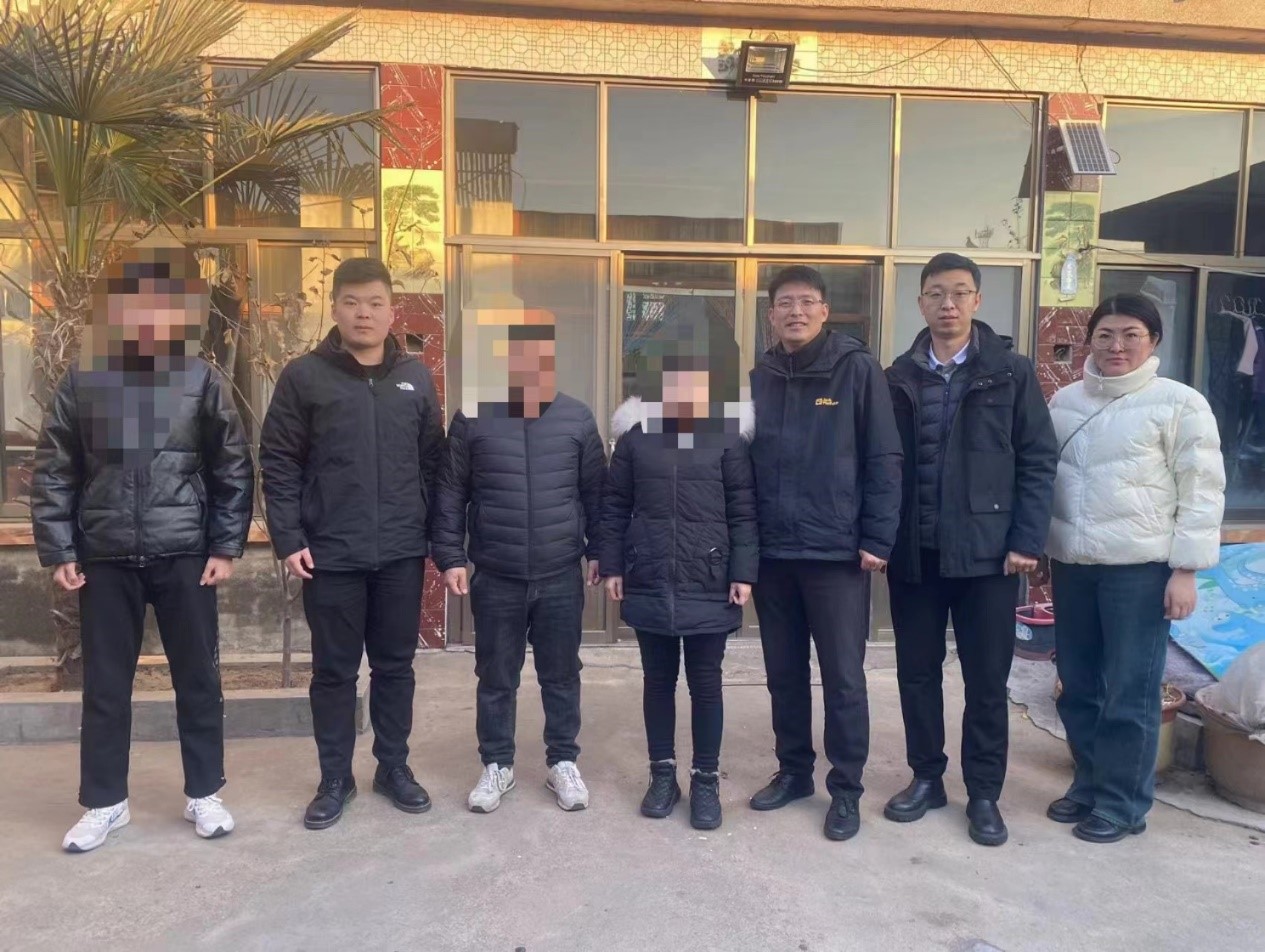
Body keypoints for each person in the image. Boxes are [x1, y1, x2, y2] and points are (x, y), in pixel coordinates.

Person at [31, 245, 253, 853]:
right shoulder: (83, 379)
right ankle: (105, 802)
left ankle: (204, 792)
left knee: (197, 680)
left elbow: (233, 467)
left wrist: (225, 546)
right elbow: (55, 469)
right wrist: (60, 548)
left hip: (185, 553)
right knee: (105, 687)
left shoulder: (200, 379)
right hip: (104, 556)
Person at [260, 257, 444, 830]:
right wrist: (288, 538)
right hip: (330, 553)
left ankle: (393, 767)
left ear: (392, 311)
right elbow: (279, 462)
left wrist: (435, 538)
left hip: (400, 553)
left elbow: (433, 464)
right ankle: (335, 778)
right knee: (334, 672)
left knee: (395, 667)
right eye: (352, 303)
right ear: (335, 308)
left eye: (375, 303)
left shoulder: (415, 378)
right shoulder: (304, 377)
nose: (364, 313)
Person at [883, 253, 1058, 847]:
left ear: (978, 301)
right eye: (936, 293)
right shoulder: (898, 376)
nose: (948, 304)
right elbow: (882, 464)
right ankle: (926, 778)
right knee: (917, 675)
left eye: (959, 292)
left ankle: (984, 793)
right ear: (920, 303)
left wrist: (1026, 539)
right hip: (916, 554)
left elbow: (1038, 459)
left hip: (989, 556)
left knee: (986, 681)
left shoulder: (1011, 372)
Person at [1046, 292, 1225, 843]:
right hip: (1073, 565)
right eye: (1105, 335)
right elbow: (1045, 479)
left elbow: (1202, 490)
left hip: (1140, 570)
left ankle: (1122, 803)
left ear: (1153, 342)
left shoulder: (1180, 403)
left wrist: (1186, 570)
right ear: (1089, 341)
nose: (1116, 346)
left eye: (1131, 335)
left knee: (1130, 689)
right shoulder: (1065, 402)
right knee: (1078, 685)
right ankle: (1089, 783)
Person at [747, 265, 902, 841]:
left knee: (842, 678)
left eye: (807, 302)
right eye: (785, 303)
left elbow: (884, 456)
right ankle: (793, 772)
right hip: (773, 554)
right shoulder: (760, 376)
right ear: (771, 314)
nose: (796, 312)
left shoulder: (856, 369)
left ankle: (846, 789)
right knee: (782, 674)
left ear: (824, 311)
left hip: (836, 552)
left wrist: (877, 538)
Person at [431, 320, 605, 814]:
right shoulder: (473, 418)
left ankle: (562, 761)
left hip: (559, 573)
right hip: (497, 574)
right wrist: (451, 556)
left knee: (562, 674)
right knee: (495, 676)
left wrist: (600, 551)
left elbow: (597, 493)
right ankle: (497, 764)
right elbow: (450, 492)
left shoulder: (576, 418)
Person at [600, 357, 757, 831]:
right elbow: (614, 505)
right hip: (649, 575)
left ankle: (706, 780)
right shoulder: (636, 440)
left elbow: (744, 512)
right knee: (658, 682)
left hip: (709, 578)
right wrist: (612, 564)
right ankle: (662, 775)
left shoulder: (727, 439)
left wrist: (743, 571)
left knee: (706, 685)